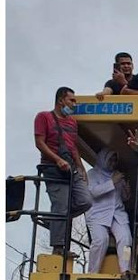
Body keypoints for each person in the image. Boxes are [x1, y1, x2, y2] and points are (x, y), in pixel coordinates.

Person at [34, 87, 93, 254]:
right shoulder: (43, 117)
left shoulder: (72, 122)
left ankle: (52, 220)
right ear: (61, 100)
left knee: (85, 200)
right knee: (60, 206)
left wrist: (80, 167)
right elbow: (39, 143)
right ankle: (59, 248)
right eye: (71, 100)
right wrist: (57, 159)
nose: (74, 104)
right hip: (53, 168)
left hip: (71, 168)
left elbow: (72, 146)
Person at [84, 149, 131, 273]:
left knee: (126, 239)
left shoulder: (117, 174)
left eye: (115, 160)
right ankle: (93, 272)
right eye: (110, 160)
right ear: (103, 159)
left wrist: (126, 188)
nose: (113, 163)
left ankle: (126, 270)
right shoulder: (92, 174)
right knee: (100, 240)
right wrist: (112, 182)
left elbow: (125, 198)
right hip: (98, 214)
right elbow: (93, 192)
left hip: (117, 214)